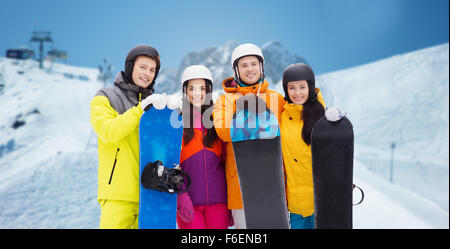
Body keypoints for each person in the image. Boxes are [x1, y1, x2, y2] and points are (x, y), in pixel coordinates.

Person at [90, 44, 170, 229]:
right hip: (118, 195)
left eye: (152, 70)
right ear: (130, 66)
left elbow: (165, 147)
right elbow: (108, 132)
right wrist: (139, 110)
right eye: (142, 67)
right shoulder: (105, 97)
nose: (147, 73)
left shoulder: (154, 104)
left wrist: (173, 116)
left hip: (150, 194)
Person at [212, 43, 286, 229]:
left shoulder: (277, 99)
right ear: (236, 71)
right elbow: (224, 131)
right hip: (241, 185)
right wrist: (260, 124)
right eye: (244, 65)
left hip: (274, 184)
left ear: (261, 67)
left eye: (254, 64)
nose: (250, 69)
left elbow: (293, 126)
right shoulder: (226, 100)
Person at [280, 63, 345, 229]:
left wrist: (336, 122)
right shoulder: (282, 117)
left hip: (321, 199)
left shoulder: (323, 115)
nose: (297, 93)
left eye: (302, 87)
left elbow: (338, 151)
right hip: (296, 202)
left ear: (310, 87)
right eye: (292, 88)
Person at [176, 65, 229, 229]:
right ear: (185, 91)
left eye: (202, 88)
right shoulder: (178, 122)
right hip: (190, 204)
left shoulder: (217, 121)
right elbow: (173, 165)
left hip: (219, 203)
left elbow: (228, 161)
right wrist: (181, 196)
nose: (197, 93)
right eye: (192, 88)